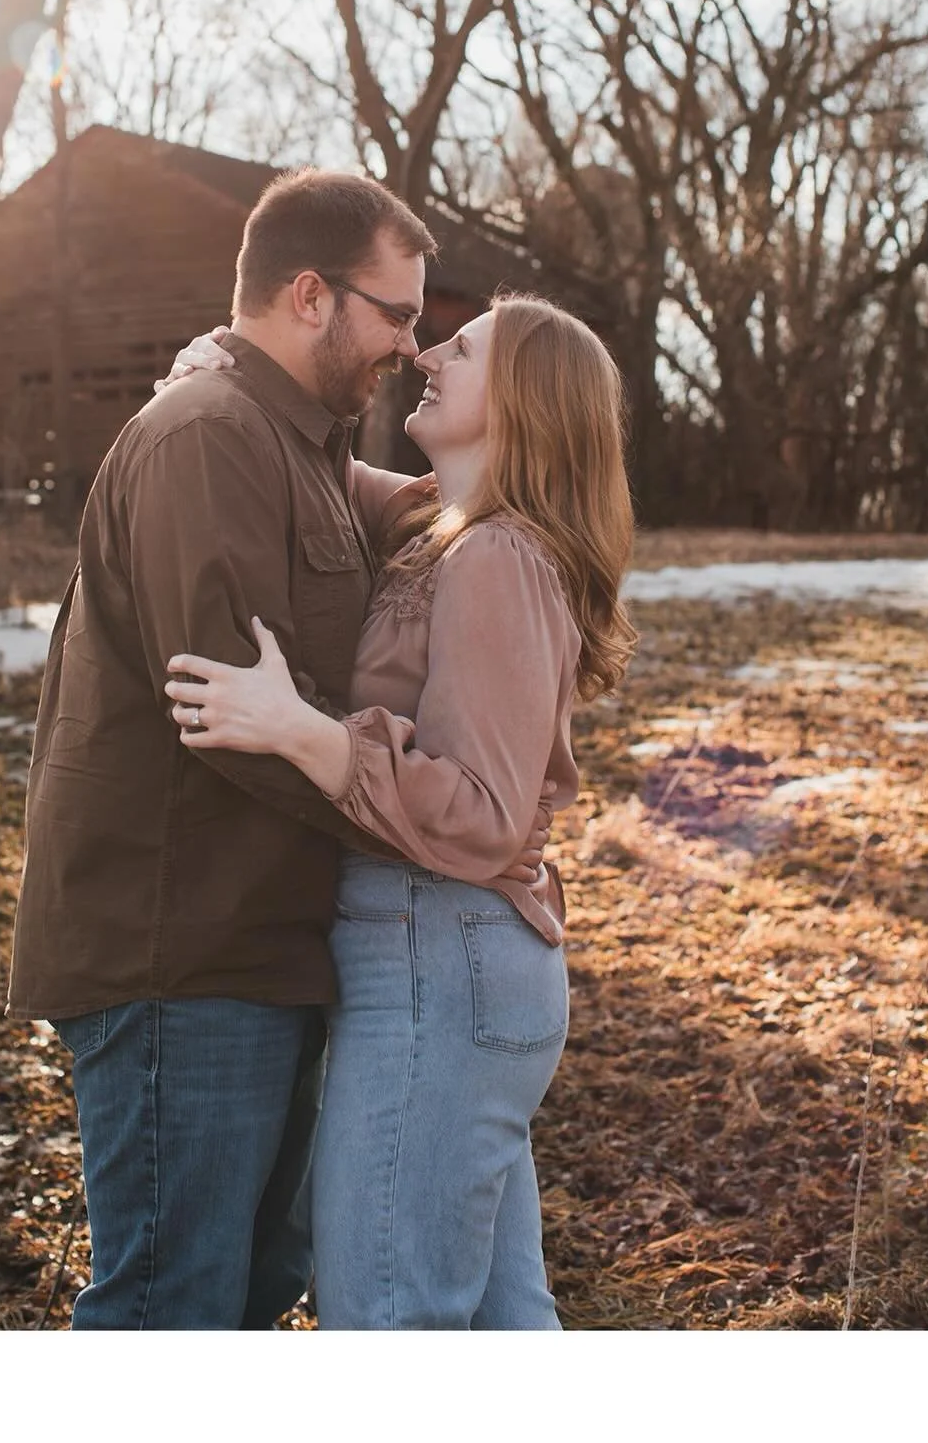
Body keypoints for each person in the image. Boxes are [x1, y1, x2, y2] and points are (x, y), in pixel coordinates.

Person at [4, 167, 455, 1329]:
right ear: (311, 295)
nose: (411, 345)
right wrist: (427, 817)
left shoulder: (295, 440)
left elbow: (420, 505)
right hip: (179, 954)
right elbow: (228, 718)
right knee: (172, 1307)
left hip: (257, 950)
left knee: (246, 1292)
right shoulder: (208, 437)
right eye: (397, 314)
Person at [163, 293, 638, 1328]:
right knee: (497, 1321)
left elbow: (484, 815)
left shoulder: (500, 559)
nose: (426, 352)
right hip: (449, 967)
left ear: (519, 404)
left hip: (443, 959)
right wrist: (230, 377)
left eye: (460, 350)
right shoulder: (441, 526)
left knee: (388, 1315)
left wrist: (302, 731)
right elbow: (320, 472)